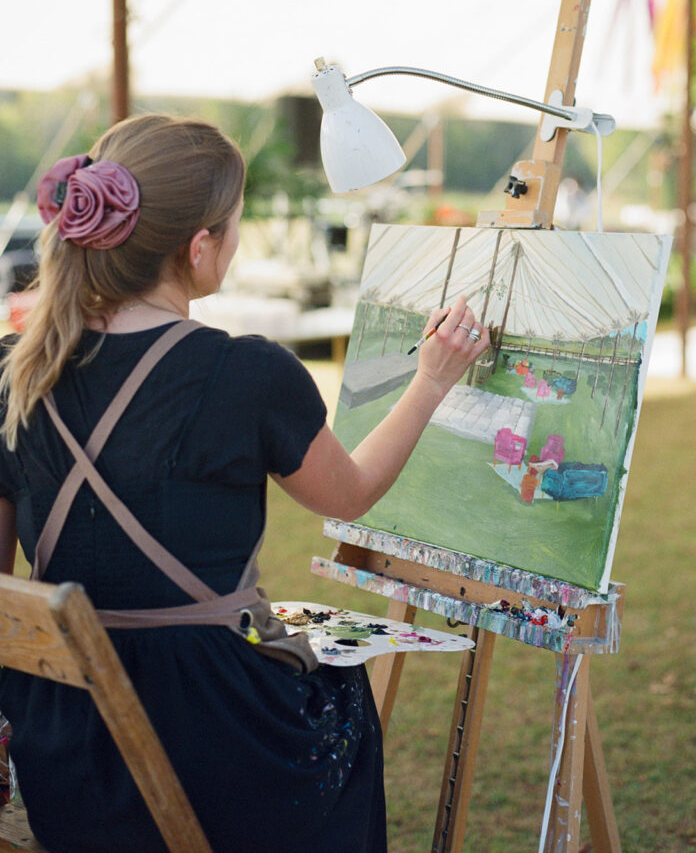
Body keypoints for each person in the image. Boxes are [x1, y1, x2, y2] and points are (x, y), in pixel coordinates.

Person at [0, 113, 489, 853]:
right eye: (232, 228)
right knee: (341, 696)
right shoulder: (247, 373)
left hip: (64, 744)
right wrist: (429, 381)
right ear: (199, 248)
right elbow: (347, 495)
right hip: (210, 729)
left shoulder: (13, 370)